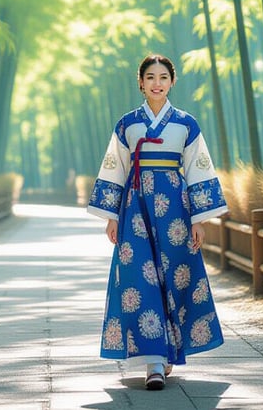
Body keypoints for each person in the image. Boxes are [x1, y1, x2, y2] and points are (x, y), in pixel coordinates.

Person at [86, 54, 227, 391]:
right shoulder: (128, 124)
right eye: (150, 77)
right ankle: (154, 363)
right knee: (139, 280)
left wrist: (199, 219)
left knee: (177, 277)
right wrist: (111, 217)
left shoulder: (186, 124)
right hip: (135, 209)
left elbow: (197, 169)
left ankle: (168, 353)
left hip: (175, 210)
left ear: (172, 81)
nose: (157, 83)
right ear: (141, 82)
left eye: (163, 76)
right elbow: (115, 168)